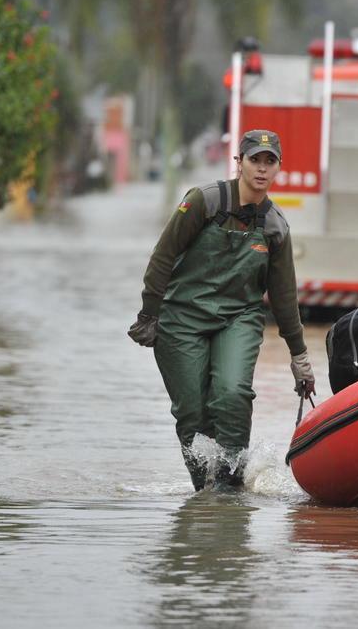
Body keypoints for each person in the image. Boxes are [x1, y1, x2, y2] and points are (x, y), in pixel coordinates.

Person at [127, 129, 316, 492]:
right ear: (238, 162)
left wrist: (300, 357)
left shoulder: (276, 225)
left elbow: (283, 295)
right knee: (192, 413)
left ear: (278, 169)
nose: (261, 169)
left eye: (269, 162)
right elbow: (163, 256)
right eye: (254, 160)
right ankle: (204, 489)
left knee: (231, 395)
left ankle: (229, 489)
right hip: (181, 316)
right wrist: (149, 313)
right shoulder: (204, 201)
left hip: (239, 318)